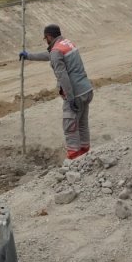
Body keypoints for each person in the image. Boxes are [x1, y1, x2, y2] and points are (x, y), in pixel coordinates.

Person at [19, 24, 93, 160]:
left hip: (75, 93)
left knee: (70, 127)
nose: (45, 40)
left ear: (48, 36)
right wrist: (29, 56)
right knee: (82, 124)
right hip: (86, 89)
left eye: (45, 38)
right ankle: (86, 155)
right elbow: (50, 54)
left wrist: (70, 98)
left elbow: (63, 77)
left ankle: (74, 159)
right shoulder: (66, 43)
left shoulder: (56, 52)